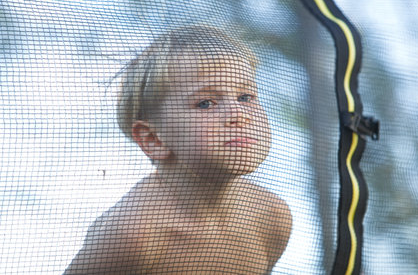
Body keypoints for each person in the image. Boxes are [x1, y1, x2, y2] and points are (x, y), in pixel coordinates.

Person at [64, 26, 292, 274]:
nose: (239, 114)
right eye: (206, 103)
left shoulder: (271, 217)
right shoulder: (132, 235)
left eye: (246, 97)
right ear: (153, 139)